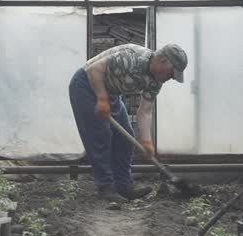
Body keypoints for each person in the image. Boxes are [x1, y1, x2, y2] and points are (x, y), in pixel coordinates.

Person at [68, 43, 188, 202]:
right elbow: (93, 69)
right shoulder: (131, 59)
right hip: (86, 85)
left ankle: (123, 186)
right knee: (100, 135)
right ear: (162, 60)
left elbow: (145, 111)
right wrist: (102, 99)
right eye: (172, 73)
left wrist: (146, 142)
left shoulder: (155, 82)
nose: (172, 78)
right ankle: (106, 188)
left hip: (110, 91)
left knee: (126, 137)